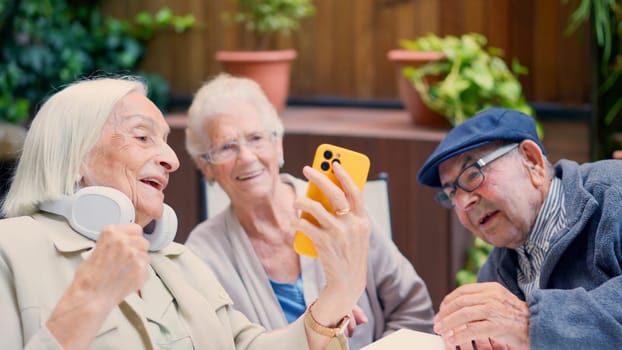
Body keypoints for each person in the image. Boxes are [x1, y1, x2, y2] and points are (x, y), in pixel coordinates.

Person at [0, 76, 372, 350]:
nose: (172, 160)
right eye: (142, 137)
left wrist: (338, 294)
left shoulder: (179, 260)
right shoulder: (11, 249)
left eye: (165, 141)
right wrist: (89, 300)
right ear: (74, 154)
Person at [184, 73, 435, 350]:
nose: (246, 157)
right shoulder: (201, 254)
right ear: (205, 165)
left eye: (256, 138)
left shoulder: (340, 212)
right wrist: (325, 319)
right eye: (226, 147)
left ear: (278, 143)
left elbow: (414, 310)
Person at [417, 107, 622, 349]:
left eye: (473, 174)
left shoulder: (612, 195)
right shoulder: (495, 271)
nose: (463, 202)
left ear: (531, 160)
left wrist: (530, 323)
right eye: (451, 193)